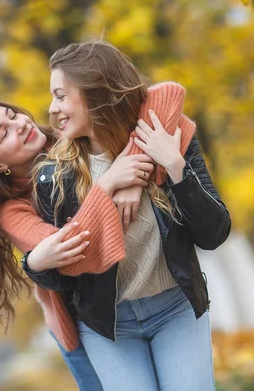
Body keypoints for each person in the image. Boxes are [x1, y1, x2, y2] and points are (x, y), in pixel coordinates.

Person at [25, 41, 231, 390]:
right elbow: (66, 276)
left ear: (95, 92)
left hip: (175, 310)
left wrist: (175, 166)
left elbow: (215, 233)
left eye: (61, 96)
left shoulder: (167, 136)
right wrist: (105, 187)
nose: (52, 109)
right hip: (109, 327)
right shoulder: (54, 176)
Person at [0, 89, 188, 389]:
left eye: (13, 115)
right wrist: (110, 182)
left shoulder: (76, 139)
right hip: (83, 326)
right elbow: (74, 245)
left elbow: (164, 94)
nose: (20, 124)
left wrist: (134, 174)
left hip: (156, 296)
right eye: (4, 133)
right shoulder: (13, 210)